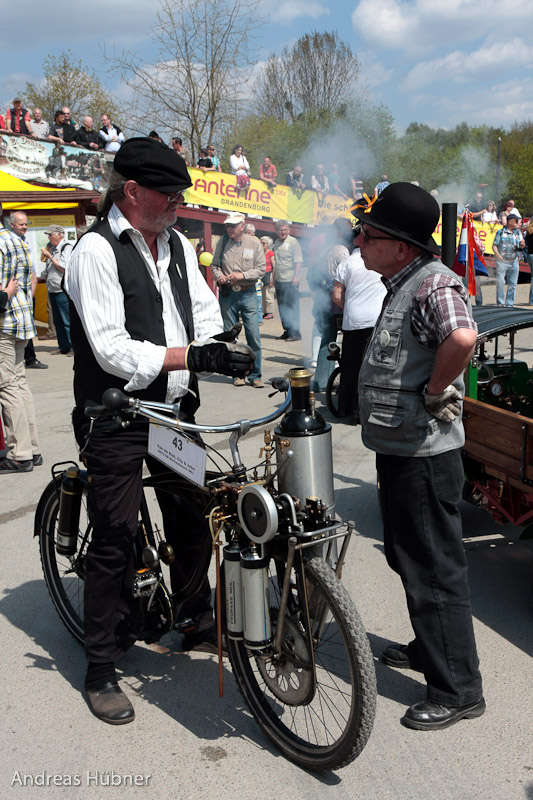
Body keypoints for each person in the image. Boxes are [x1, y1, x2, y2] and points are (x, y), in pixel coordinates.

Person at [65, 137, 254, 725]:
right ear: (132, 191)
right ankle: (101, 667)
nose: (178, 203)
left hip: (171, 411)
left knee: (194, 512)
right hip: (117, 414)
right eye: (169, 194)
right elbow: (111, 348)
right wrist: (190, 357)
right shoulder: (95, 249)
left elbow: (201, 313)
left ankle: (194, 615)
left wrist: (220, 347)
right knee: (116, 535)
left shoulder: (174, 243)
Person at [352, 182, 484, 731]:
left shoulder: (432, 284)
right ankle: (434, 648)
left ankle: (457, 690)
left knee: (434, 569)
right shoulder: (404, 281)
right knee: (409, 558)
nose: (360, 241)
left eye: (369, 235)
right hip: (402, 449)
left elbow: (462, 338)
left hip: (424, 454)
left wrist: (433, 391)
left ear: (401, 246)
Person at [0, 202, 42, 472]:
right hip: (20, 319)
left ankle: (20, 453)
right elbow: (29, 280)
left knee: (7, 386)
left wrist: (6, 295)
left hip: (4, 321)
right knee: (18, 383)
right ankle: (32, 448)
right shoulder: (15, 240)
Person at [332, 230, 386, 423]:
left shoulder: (346, 263)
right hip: (375, 320)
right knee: (370, 367)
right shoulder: (379, 261)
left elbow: (336, 296)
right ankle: (364, 410)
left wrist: (350, 308)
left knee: (350, 366)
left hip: (352, 321)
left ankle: (345, 409)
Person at [211, 212, 265, 388]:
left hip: (248, 293)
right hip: (228, 294)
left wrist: (242, 275)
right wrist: (219, 276)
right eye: (228, 225)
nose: (230, 228)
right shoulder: (222, 242)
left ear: (242, 226)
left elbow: (261, 269)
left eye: (233, 225)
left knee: (253, 336)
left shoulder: (254, 243)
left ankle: (255, 375)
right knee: (231, 336)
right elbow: (215, 265)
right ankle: (237, 374)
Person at [310, 218, 352, 393]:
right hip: (335, 298)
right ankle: (330, 381)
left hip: (324, 298)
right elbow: (347, 274)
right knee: (339, 339)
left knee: (327, 339)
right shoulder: (341, 250)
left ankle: (321, 381)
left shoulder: (326, 248)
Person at [9, 212, 47, 370]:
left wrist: (31, 293)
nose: (24, 227)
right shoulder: (10, 243)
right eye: (21, 224)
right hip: (15, 295)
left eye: (26, 224)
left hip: (27, 294)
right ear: (12, 225)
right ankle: (27, 358)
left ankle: (29, 358)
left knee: (27, 328)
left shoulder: (25, 241)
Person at [40, 225, 73, 355]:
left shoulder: (66, 248)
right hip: (52, 288)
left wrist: (50, 257)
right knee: (57, 320)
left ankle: (73, 346)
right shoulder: (53, 249)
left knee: (67, 320)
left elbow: (63, 268)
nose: (49, 238)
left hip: (62, 289)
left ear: (59, 234)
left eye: (51, 235)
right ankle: (63, 346)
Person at [272, 220, 303, 341]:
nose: (283, 232)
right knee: (282, 306)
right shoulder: (276, 243)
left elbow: (298, 261)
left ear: (289, 230)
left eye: (285, 230)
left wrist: (296, 276)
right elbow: (276, 262)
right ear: (276, 231)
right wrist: (274, 278)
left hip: (290, 279)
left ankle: (295, 332)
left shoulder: (293, 242)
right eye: (280, 230)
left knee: (292, 306)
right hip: (279, 279)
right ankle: (287, 330)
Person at [493, 214, 525, 307]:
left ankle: (509, 304)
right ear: (510, 222)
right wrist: (498, 255)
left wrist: (522, 244)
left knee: (513, 284)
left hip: (514, 261)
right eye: (516, 221)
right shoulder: (500, 232)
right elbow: (494, 245)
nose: (517, 223)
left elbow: (521, 245)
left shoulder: (518, 232)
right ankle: (500, 303)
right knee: (500, 282)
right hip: (502, 261)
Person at [260, 236, 275, 319]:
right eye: (260, 242)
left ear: (268, 244)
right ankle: (265, 311)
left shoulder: (271, 253)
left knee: (268, 295)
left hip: (269, 275)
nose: (261, 244)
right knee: (263, 295)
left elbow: (274, 266)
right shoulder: (260, 253)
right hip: (262, 275)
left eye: (263, 243)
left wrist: (272, 279)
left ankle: (270, 312)